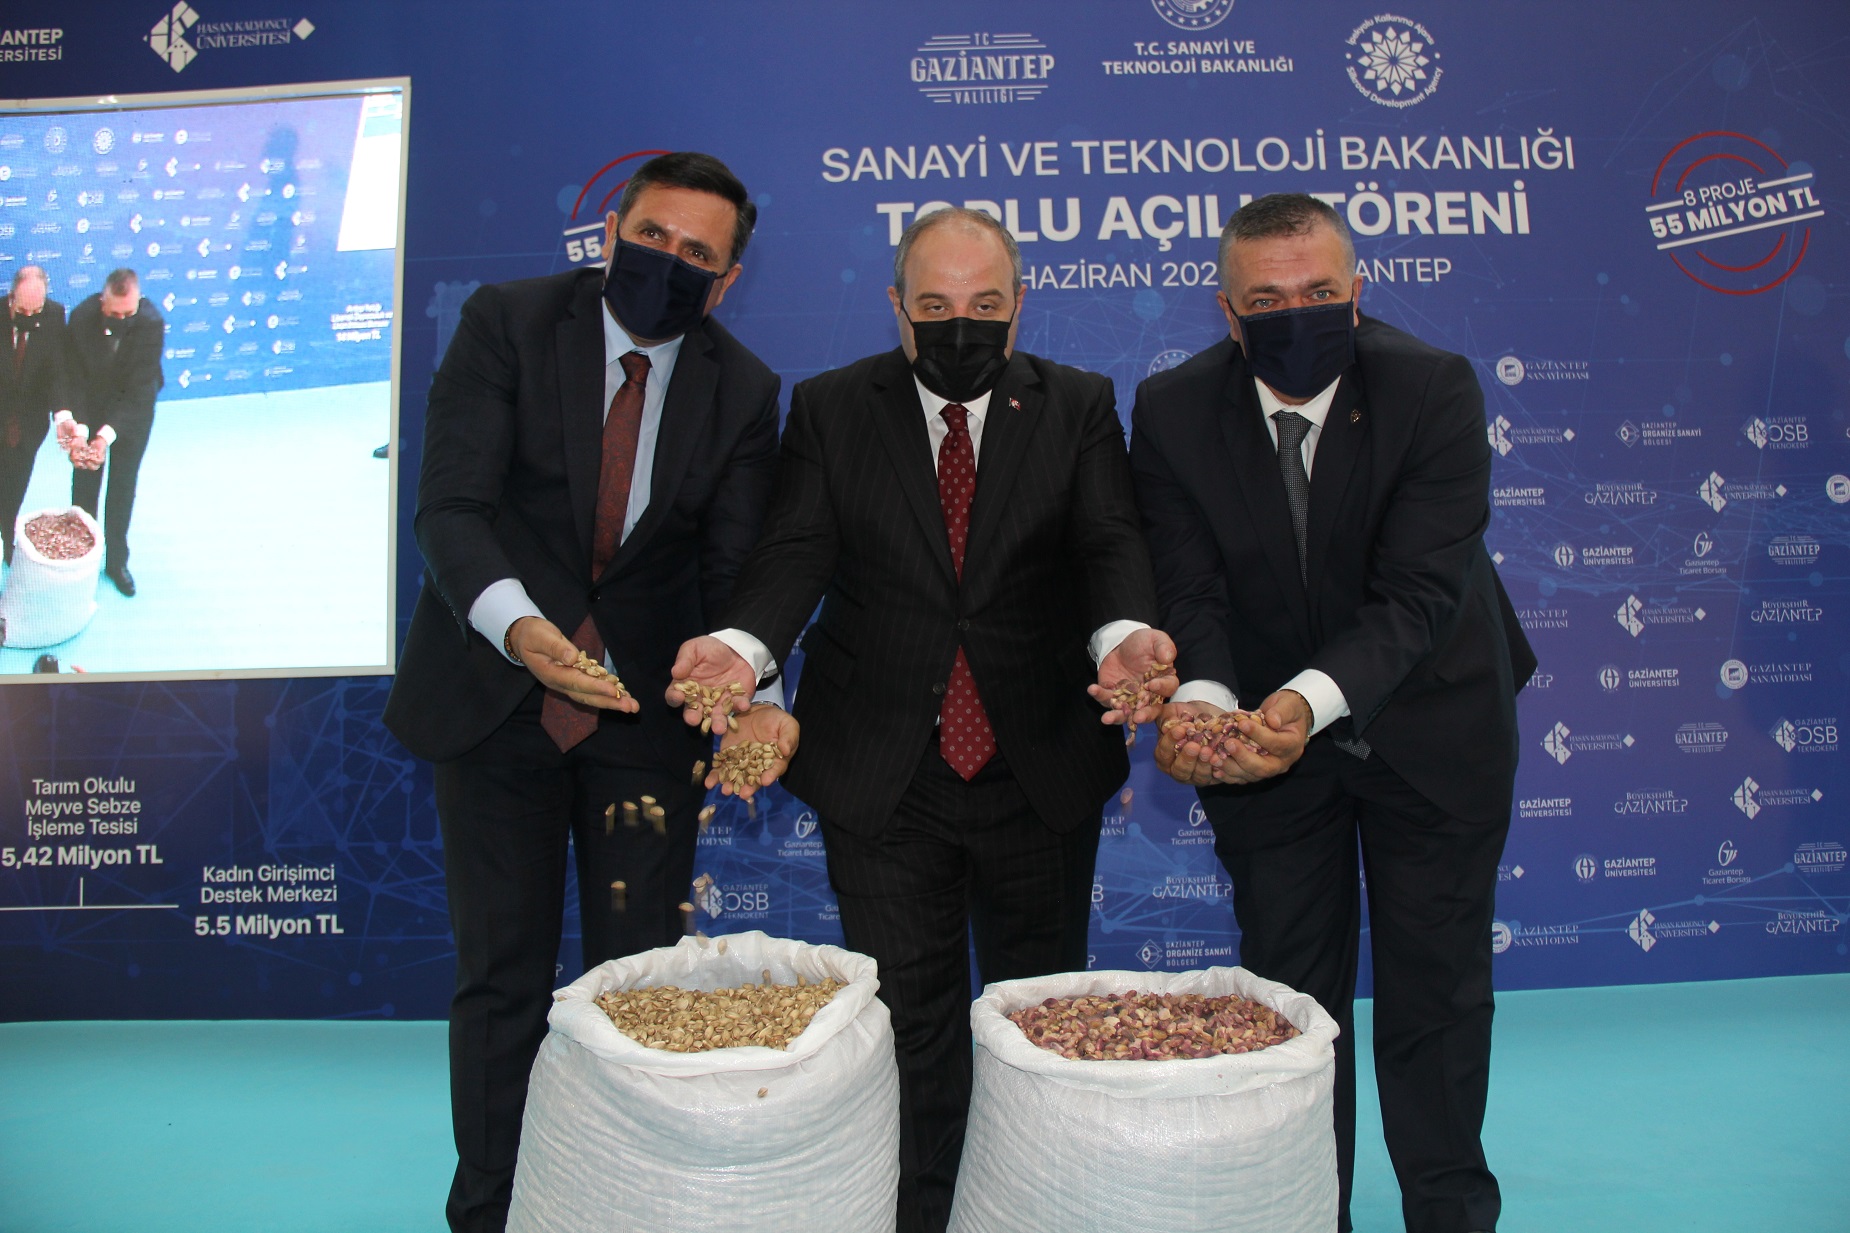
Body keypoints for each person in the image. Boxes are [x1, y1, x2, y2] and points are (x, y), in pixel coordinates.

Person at [669, 207, 1176, 1233]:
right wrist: (745, 647)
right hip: (882, 771)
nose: (959, 326)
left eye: (984, 305)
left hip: (1038, 767)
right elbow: (795, 550)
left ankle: (1035, 1211)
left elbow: (1108, 539)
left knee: (1039, 1026)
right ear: (896, 307)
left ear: (1019, 305)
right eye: (934, 305)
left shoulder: (1078, 402)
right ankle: (923, 1215)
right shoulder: (830, 406)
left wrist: (1124, 633)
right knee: (910, 1030)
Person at [381, 152, 782, 1233]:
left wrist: (751, 683)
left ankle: (620, 1205)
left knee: (635, 986)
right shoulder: (507, 323)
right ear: (610, 232)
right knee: (502, 978)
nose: (669, 262)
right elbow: (450, 509)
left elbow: (735, 574)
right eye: (652, 237)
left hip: (644, 728)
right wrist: (523, 630)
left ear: (727, 281)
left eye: (697, 254)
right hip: (496, 698)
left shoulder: (745, 390)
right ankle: (490, 1209)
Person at [1130, 193, 1535, 1233]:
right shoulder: (1172, 408)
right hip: (1264, 749)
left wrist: (1299, 705)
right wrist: (1207, 708)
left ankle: (1449, 1215)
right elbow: (1189, 589)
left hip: (1431, 725)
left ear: (1357, 292)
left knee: (1435, 999)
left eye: (1318, 292)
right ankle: (1312, 1215)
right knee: (1293, 1007)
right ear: (1226, 311)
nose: (1295, 314)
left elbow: (1417, 598)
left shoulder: (1432, 387)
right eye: (1267, 300)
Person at [63, 268, 163, 595]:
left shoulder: (151, 323)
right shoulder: (81, 318)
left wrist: (105, 436)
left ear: (139, 302)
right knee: (84, 484)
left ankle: (116, 562)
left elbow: (139, 390)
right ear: (102, 300)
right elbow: (74, 380)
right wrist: (82, 430)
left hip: (134, 412)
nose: (121, 319)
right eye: (114, 313)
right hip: (92, 407)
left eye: (128, 313)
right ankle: (81, 559)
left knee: (122, 486)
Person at [0, 266, 70, 565]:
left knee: (16, 483)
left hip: (29, 422)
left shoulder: (55, 315)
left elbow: (57, 371)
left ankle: (7, 537)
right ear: (11, 297)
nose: (29, 316)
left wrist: (63, 415)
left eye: (35, 310)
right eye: (22, 310)